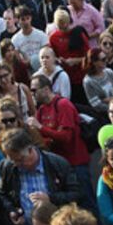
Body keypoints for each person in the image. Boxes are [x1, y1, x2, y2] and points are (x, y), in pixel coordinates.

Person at [0, 128, 83, 225]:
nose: (16, 164)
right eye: (12, 160)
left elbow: (77, 195)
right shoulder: (7, 167)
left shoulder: (57, 164)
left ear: (30, 150)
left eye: (20, 160)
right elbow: (2, 194)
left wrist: (51, 199)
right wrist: (13, 210)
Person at [33, 74, 94, 202]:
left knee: (87, 202)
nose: (33, 94)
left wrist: (41, 128)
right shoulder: (41, 110)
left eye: (35, 90)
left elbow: (66, 137)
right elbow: (41, 139)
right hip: (59, 166)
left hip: (76, 163)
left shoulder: (63, 105)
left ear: (46, 89)